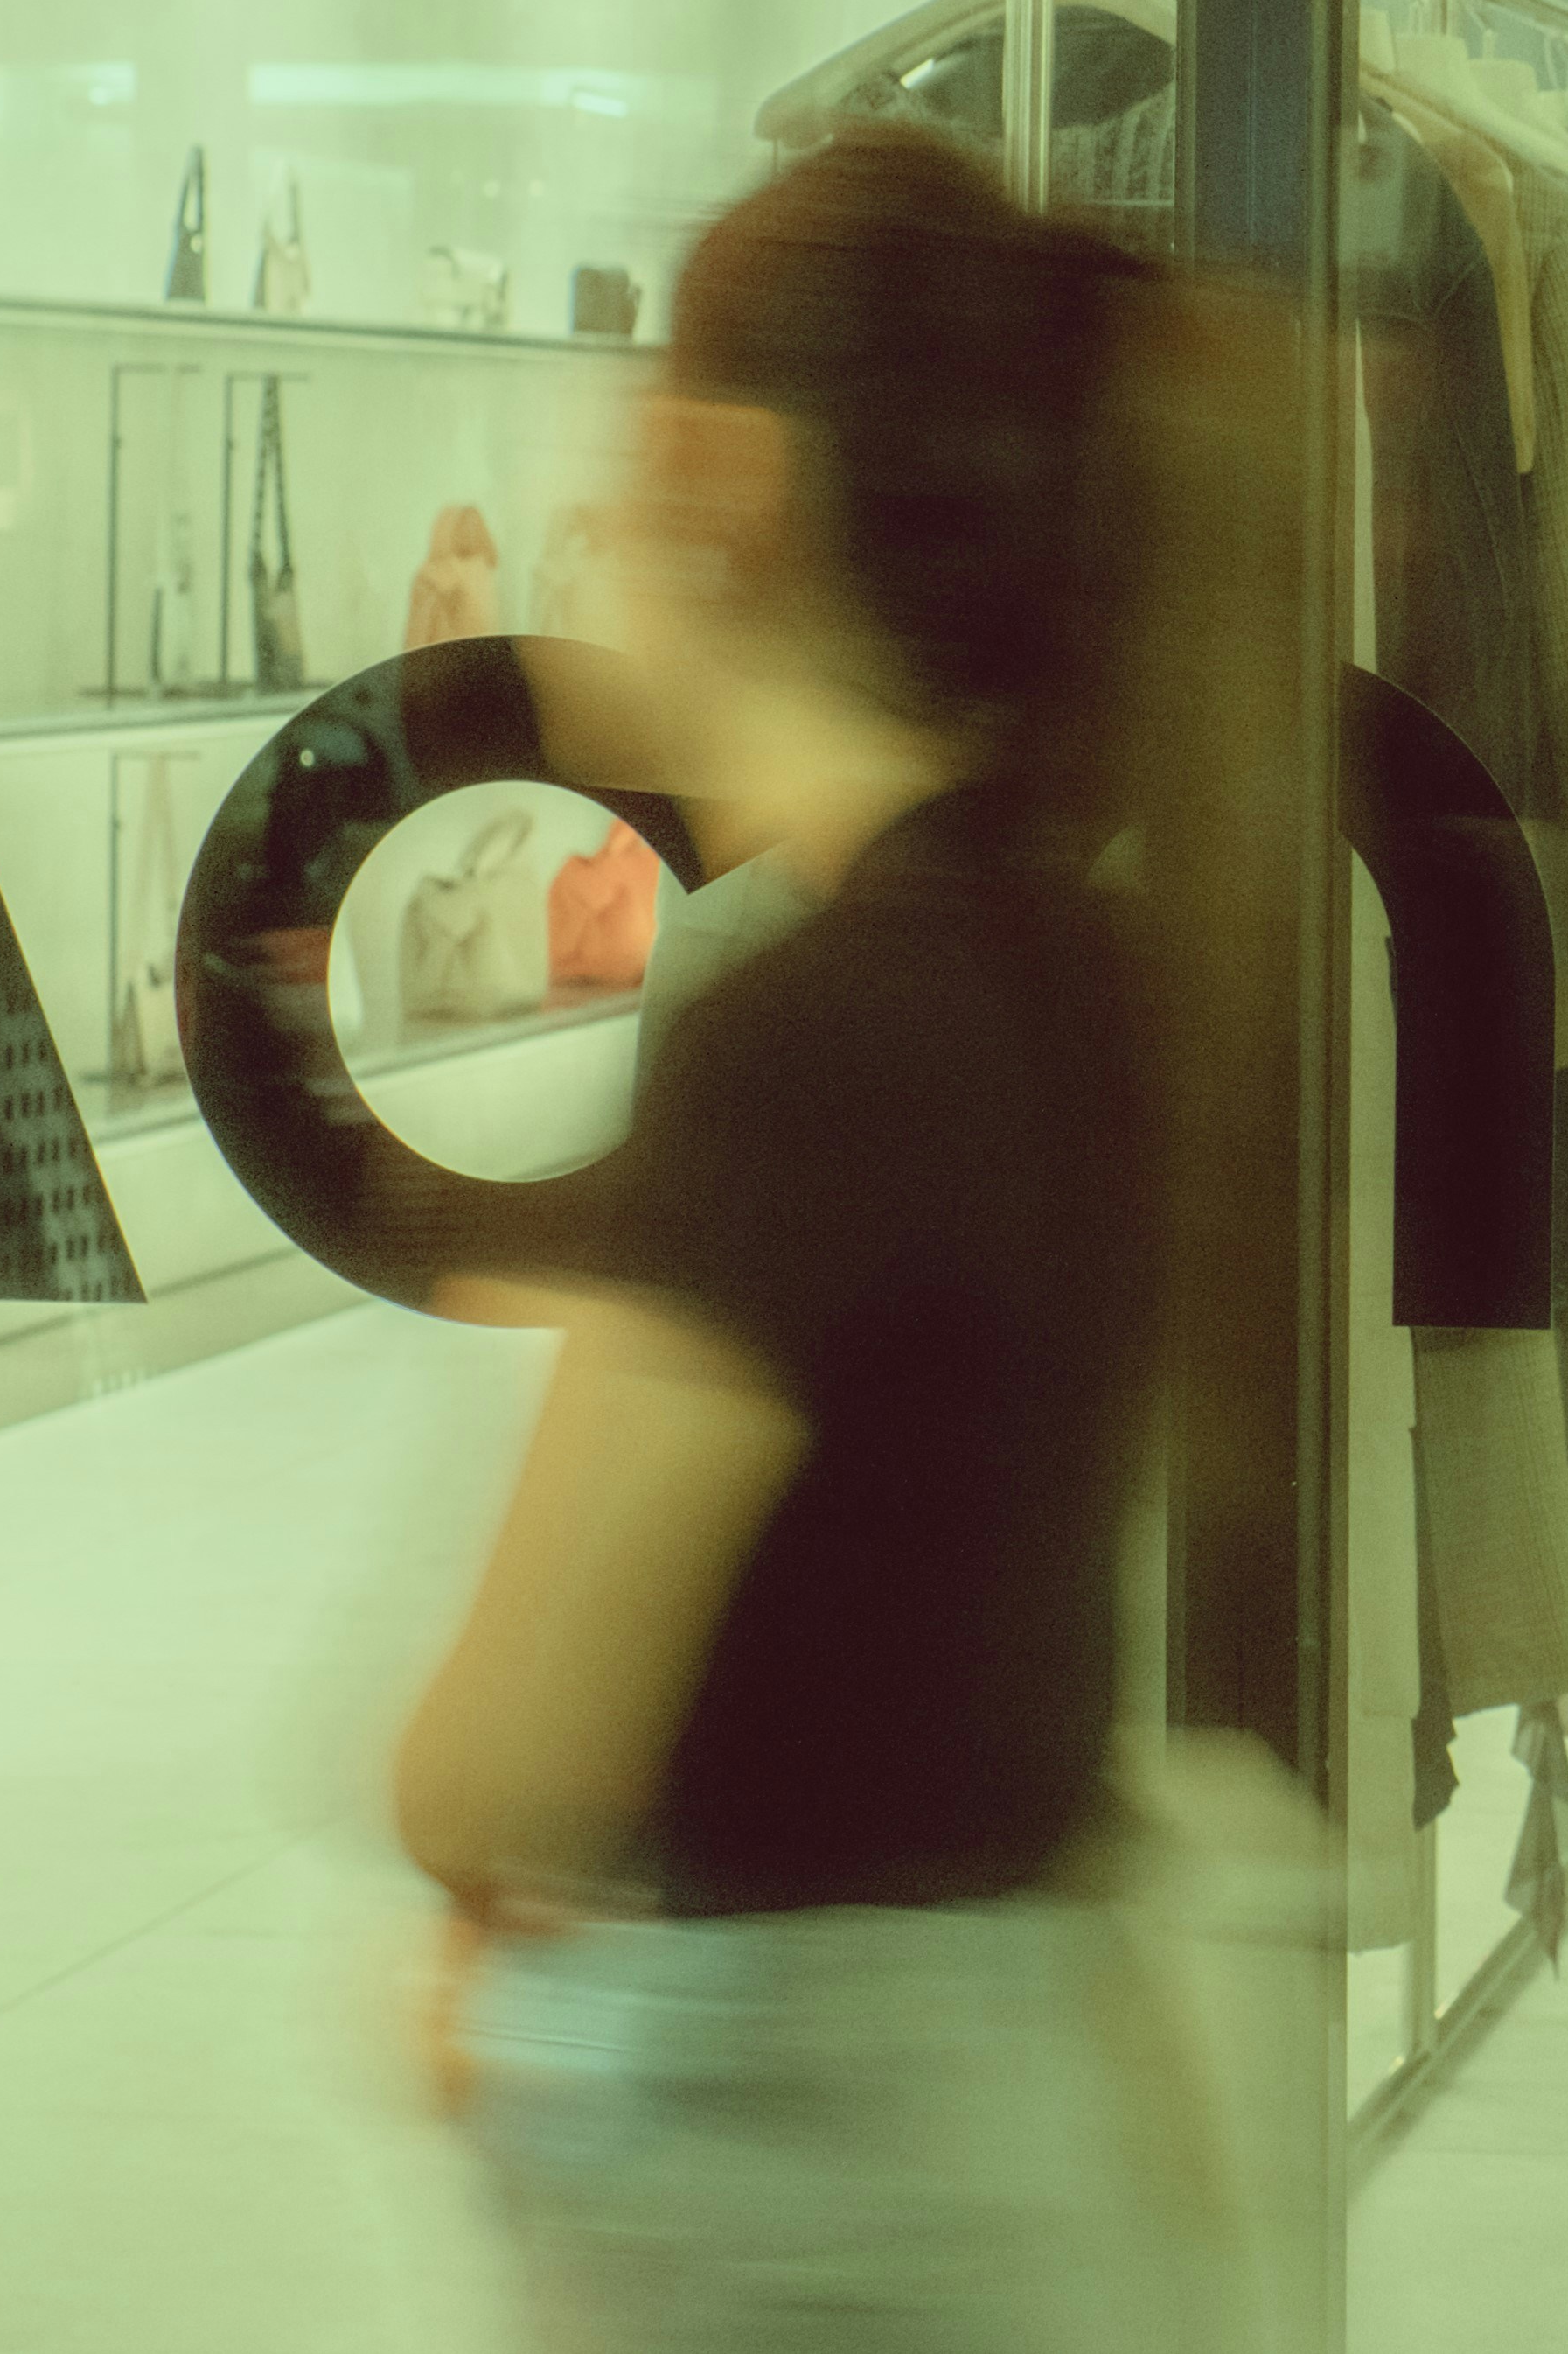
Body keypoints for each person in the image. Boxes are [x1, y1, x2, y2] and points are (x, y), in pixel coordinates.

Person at [387, 124, 1279, 2351]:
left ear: (726, 482)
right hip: (1029, 2109)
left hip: (818, 2198)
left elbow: (496, 1748)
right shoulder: (1063, 955)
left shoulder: (806, 1028)